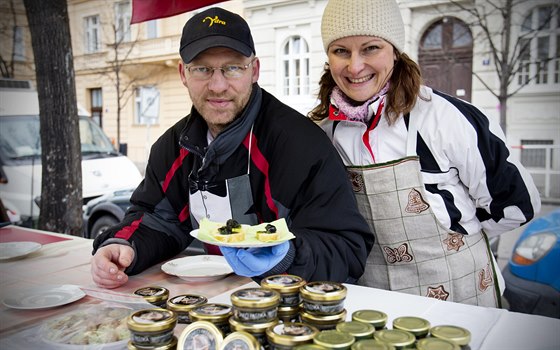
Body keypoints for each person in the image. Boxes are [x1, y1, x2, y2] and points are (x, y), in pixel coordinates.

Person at [90, 7, 373, 289]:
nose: (217, 85)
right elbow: (157, 218)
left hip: (292, 307)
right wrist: (124, 246)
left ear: (255, 71)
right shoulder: (172, 147)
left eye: (233, 67)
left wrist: (286, 257)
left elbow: (347, 248)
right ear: (183, 74)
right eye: (202, 69)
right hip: (213, 304)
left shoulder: (299, 144)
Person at [311, 0, 541, 307]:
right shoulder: (321, 131)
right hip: (374, 307)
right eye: (341, 51)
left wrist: (458, 236)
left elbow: (517, 206)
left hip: (461, 301)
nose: (355, 66)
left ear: (395, 50)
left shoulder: (446, 118)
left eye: (370, 48)